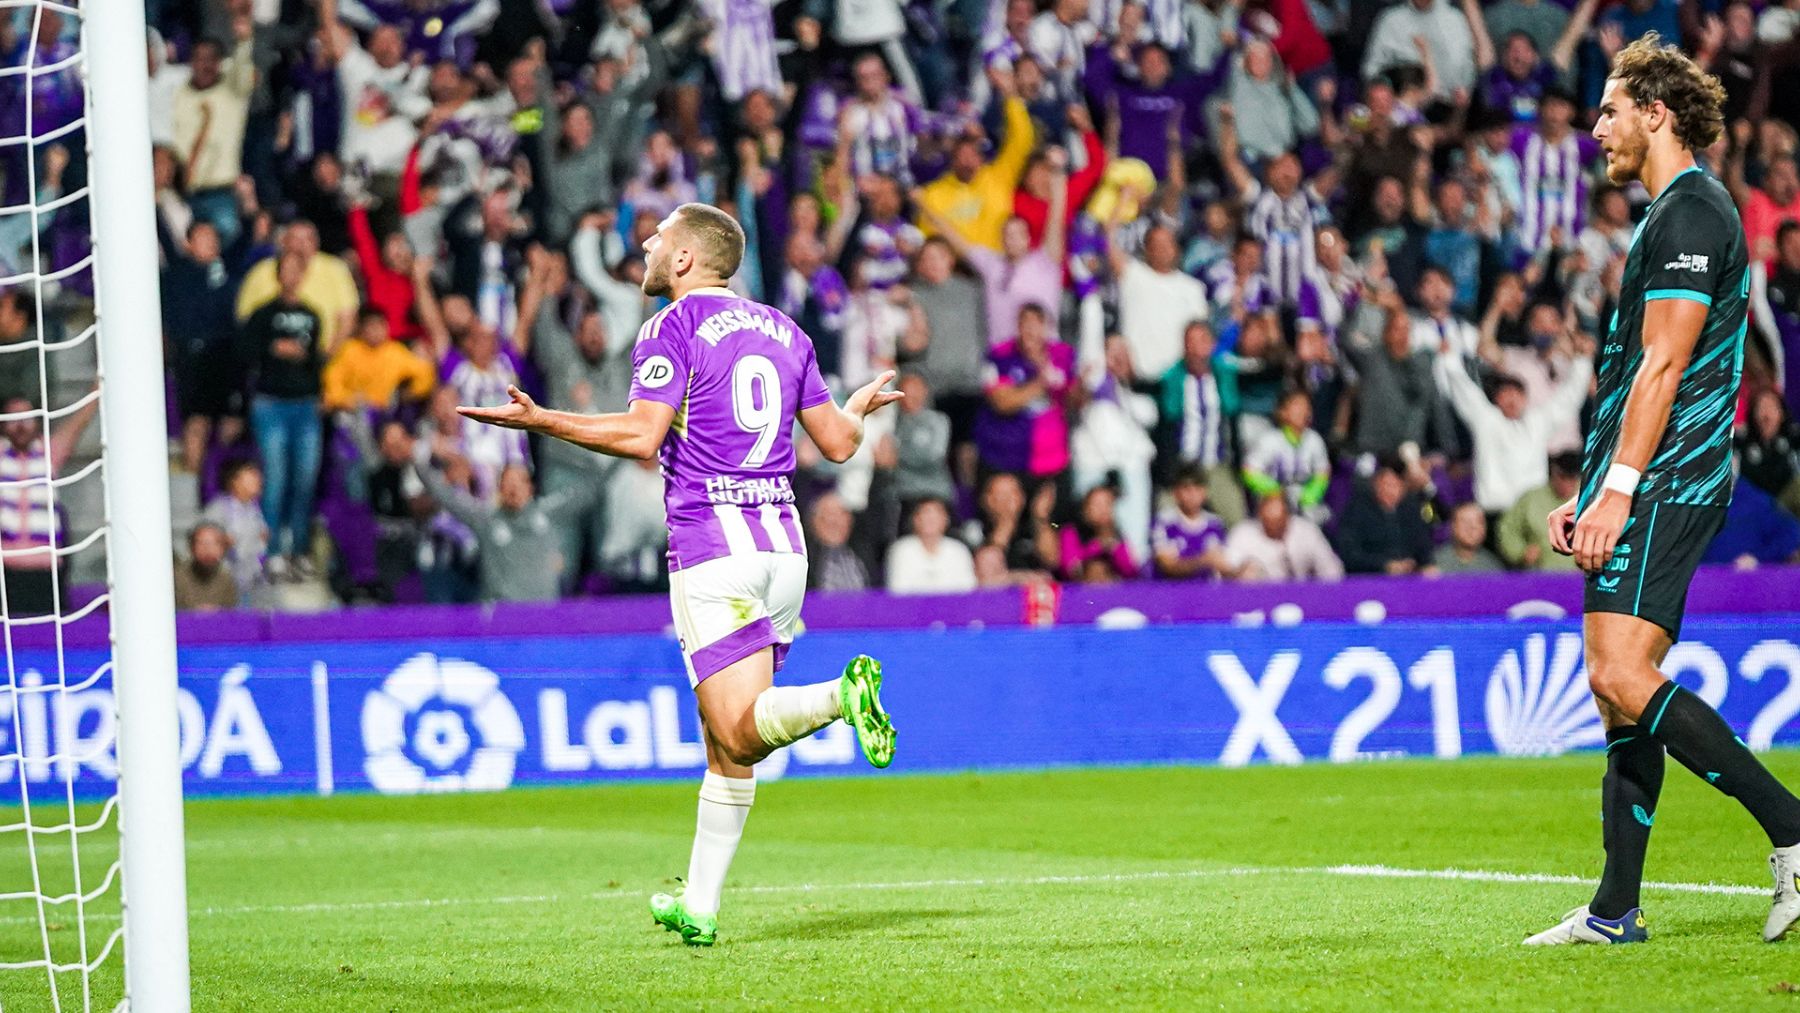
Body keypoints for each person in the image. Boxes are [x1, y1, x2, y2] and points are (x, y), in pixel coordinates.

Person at [455, 203, 900, 947]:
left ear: (689, 258)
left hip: (714, 547)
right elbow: (837, 443)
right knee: (723, 741)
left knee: (737, 727)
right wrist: (854, 410)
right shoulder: (785, 330)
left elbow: (641, 433)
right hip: (783, 550)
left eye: (659, 238)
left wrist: (542, 424)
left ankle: (839, 696)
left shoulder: (672, 326)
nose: (647, 246)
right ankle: (699, 901)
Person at [1527, 36, 1800, 947]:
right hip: (1646, 475)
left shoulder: (1690, 213)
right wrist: (1595, 482)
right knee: (1616, 691)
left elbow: (1663, 364)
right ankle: (1614, 910)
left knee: (1617, 673)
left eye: (1608, 110)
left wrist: (1619, 491)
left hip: (1670, 479)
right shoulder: (1666, 214)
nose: (1595, 127)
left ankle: (1794, 830)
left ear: (1657, 112)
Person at [239, 252, 328, 582]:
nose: (292, 276)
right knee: (275, 480)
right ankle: (273, 550)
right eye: (286, 270)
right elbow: (245, 353)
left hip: (305, 405)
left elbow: (316, 360)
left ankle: (299, 549)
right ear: (278, 276)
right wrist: (273, 350)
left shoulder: (312, 315)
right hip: (271, 403)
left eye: (297, 270)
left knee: (304, 480)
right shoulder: (263, 315)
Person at [1334, 463, 1436, 576]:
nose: (1389, 490)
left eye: (1395, 486)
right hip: (1372, 578)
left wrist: (1427, 564)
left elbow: (1423, 543)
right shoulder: (1357, 511)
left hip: (1410, 577)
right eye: (1385, 485)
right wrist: (1385, 565)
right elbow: (1350, 554)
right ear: (1375, 486)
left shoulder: (1411, 510)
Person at [1223, 492, 1344, 582]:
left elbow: (1331, 569)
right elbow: (1228, 568)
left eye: (1278, 521)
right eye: (1268, 521)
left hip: (1304, 594)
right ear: (1260, 515)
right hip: (1262, 596)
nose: (1274, 526)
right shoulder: (1243, 533)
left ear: (1287, 516)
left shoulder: (1306, 530)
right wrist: (1243, 570)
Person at [1497, 450, 1582, 572]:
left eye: (1572, 479)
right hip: (1540, 576)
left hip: (1578, 578)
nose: (1567, 484)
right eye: (1562, 477)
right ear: (1553, 473)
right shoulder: (1531, 499)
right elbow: (1506, 529)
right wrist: (1520, 552)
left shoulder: (1590, 499)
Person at [1152, 465, 1236, 580]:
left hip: (1207, 593)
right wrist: (1203, 561)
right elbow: (1167, 565)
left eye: (1197, 488)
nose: (1192, 494)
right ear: (1175, 493)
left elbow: (1222, 564)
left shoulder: (1215, 524)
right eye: (1186, 488)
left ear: (1205, 492)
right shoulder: (1165, 522)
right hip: (1173, 592)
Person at [885, 497, 978, 593]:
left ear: (946, 520)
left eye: (936, 514)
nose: (930, 519)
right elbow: (897, 590)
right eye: (925, 513)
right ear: (915, 519)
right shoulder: (901, 550)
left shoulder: (959, 551)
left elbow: (967, 589)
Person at [174, 522, 239, 612]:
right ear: (191, 547)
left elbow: (231, 616)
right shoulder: (176, 578)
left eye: (214, 543)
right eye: (201, 543)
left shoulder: (227, 579)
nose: (208, 549)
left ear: (223, 548)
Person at [1433, 501, 1505, 574]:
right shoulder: (1434, 564)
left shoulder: (1493, 568)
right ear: (1453, 527)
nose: (1472, 527)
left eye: (1478, 522)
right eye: (1465, 522)